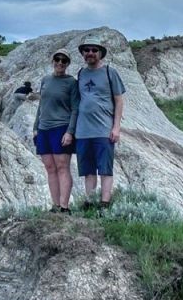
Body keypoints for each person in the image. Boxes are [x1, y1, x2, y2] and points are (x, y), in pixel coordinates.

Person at [74, 36, 125, 208]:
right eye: (87, 50)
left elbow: (119, 100)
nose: (90, 53)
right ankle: (89, 202)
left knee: (105, 169)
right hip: (82, 131)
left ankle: (104, 204)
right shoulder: (81, 74)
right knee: (88, 170)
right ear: (82, 53)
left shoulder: (110, 72)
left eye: (94, 50)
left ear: (100, 53)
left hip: (103, 130)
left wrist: (116, 127)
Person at [32, 50, 79, 213]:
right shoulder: (45, 80)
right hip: (43, 129)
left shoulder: (71, 83)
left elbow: (75, 109)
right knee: (50, 168)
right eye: (57, 59)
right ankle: (55, 205)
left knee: (62, 167)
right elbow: (41, 105)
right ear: (52, 61)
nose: (60, 63)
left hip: (61, 128)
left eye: (64, 61)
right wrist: (35, 128)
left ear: (67, 64)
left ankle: (65, 207)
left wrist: (70, 132)